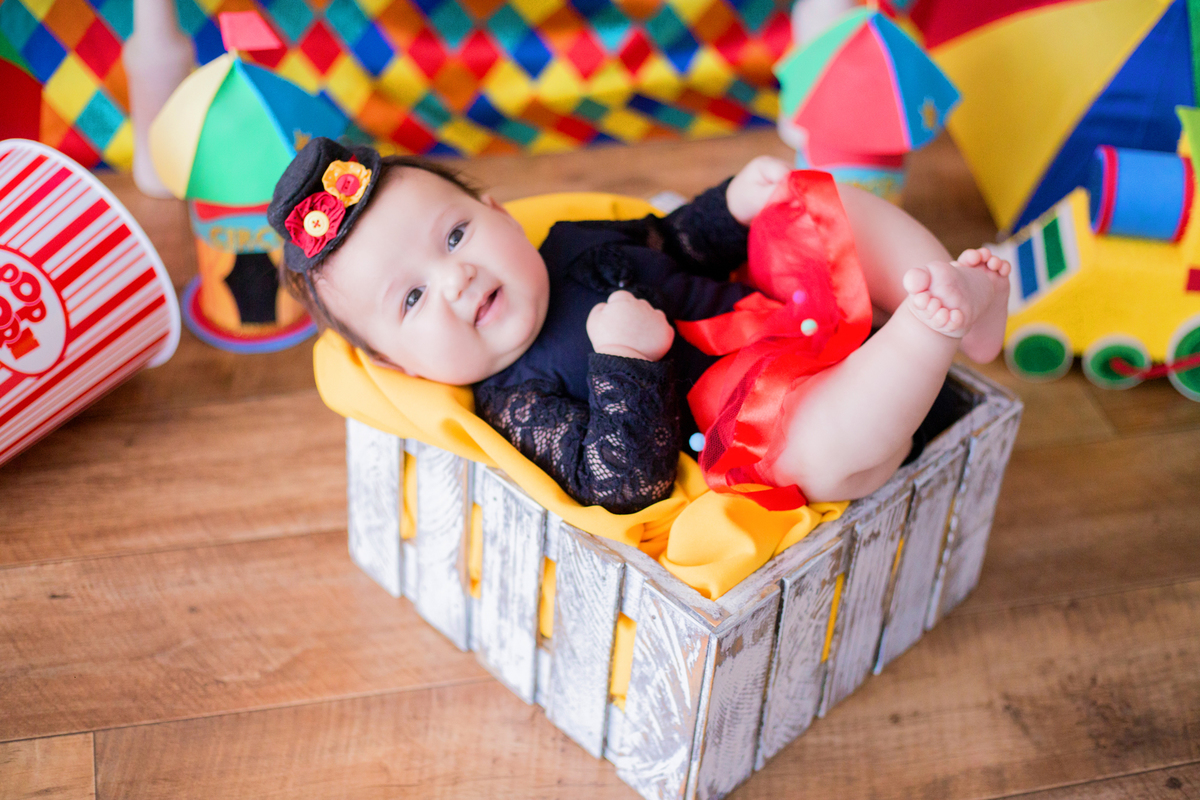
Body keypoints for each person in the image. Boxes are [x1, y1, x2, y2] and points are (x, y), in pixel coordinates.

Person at [267, 138, 1010, 514]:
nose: (454, 277)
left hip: (778, 318)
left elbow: (675, 238)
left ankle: (959, 301)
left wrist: (732, 206)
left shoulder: (569, 242)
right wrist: (628, 363)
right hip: (757, 420)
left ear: (497, 214)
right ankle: (926, 330)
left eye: (455, 235)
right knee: (822, 448)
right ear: (405, 367)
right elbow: (622, 485)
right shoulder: (516, 401)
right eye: (412, 300)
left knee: (811, 203)